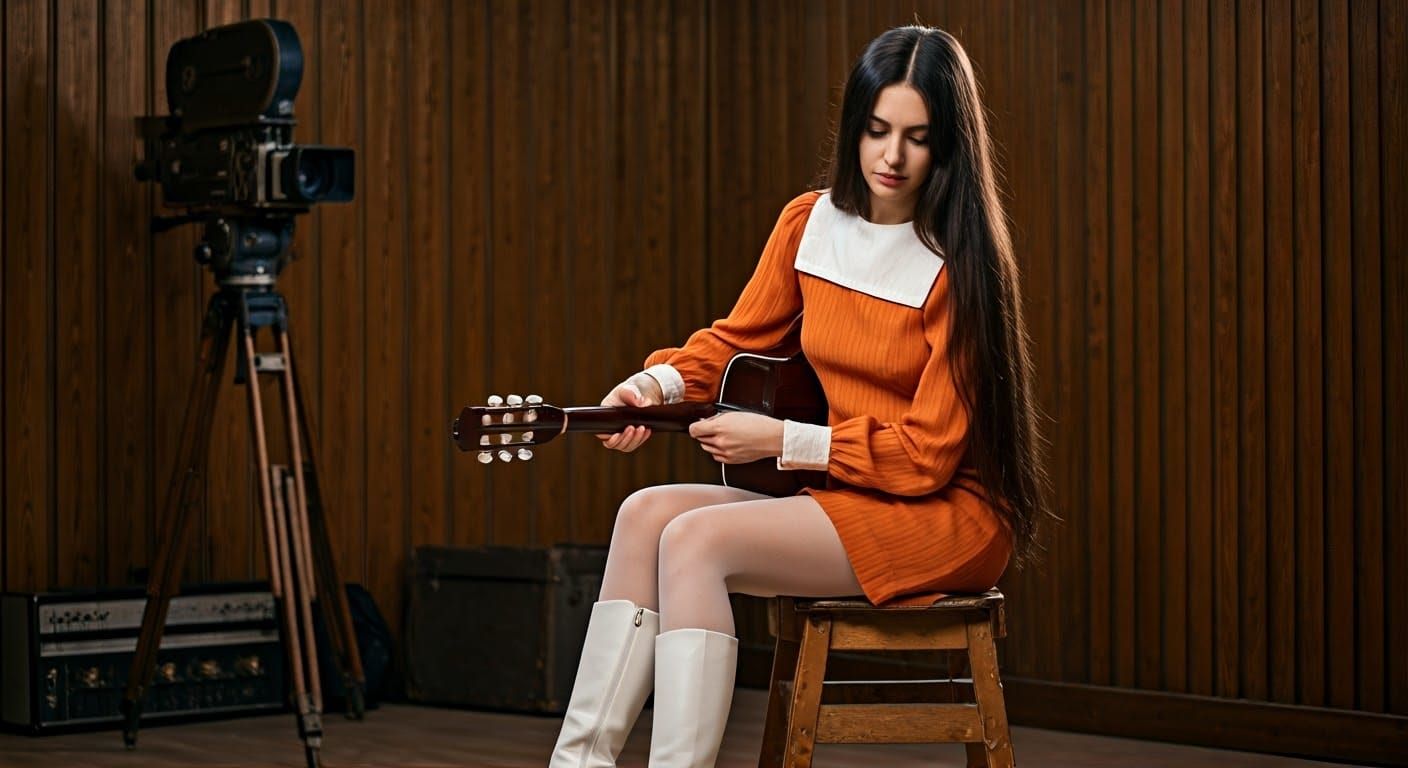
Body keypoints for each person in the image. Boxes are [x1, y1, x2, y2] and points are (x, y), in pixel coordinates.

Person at [548, 24, 1049, 768]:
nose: (891, 156)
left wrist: (784, 443)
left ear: (949, 144)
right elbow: (732, 339)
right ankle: (577, 764)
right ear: (855, 125)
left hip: (944, 513)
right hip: (844, 484)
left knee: (694, 540)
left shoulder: (959, 270)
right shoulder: (807, 224)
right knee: (643, 513)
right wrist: (647, 390)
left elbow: (927, 459)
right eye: (877, 130)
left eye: (917, 136)